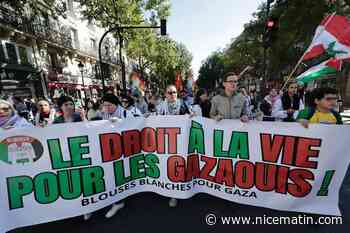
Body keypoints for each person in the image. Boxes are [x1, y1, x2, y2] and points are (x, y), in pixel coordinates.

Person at [84, 93, 126, 220]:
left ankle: (118, 203)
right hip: (106, 149)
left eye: (109, 105)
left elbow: (136, 123)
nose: (106, 107)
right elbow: (95, 124)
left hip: (121, 150)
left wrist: (121, 123)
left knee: (118, 176)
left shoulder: (124, 113)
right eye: (104, 105)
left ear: (116, 104)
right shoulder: (103, 113)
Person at [157, 85, 190, 208]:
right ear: (165, 94)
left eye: (174, 92)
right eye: (170, 92)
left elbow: (191, 117)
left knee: (179, 165)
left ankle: (177, 193)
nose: (172, 94)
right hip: (166, 142)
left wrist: (191, 116)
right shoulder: (160, 107)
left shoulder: (183, 105)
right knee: (168, 166)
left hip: (181, 142)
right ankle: (170, 191)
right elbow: (154, 119)